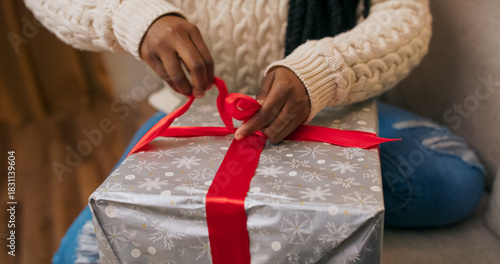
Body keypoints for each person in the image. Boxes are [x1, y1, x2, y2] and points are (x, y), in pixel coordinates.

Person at [24, 0, 485, 263]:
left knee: (457, 182)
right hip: (195, 116)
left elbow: (404, 15)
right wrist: (134, 18)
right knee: (80, 256)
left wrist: (324, 71)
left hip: (333, 109)